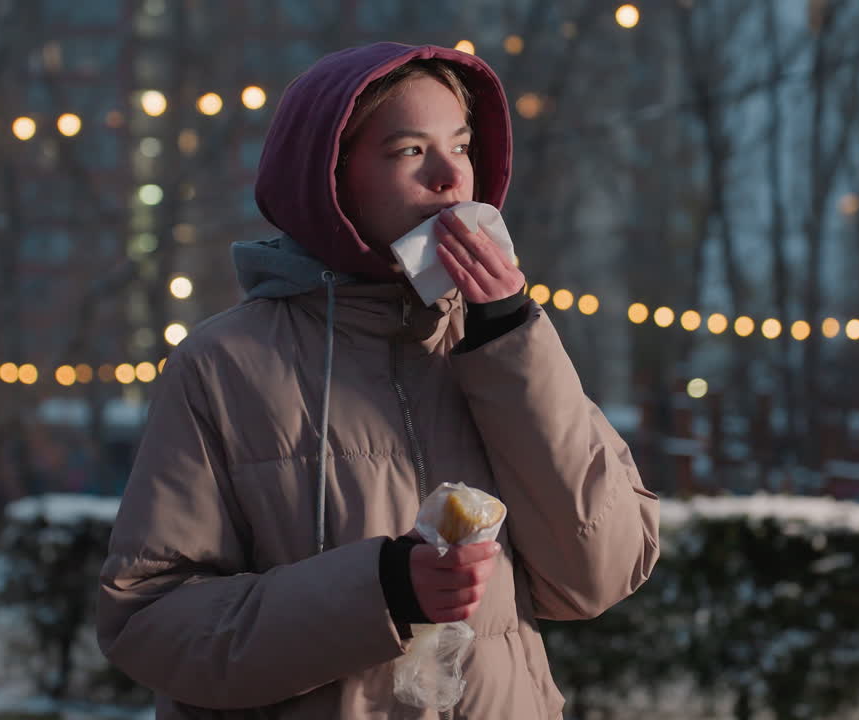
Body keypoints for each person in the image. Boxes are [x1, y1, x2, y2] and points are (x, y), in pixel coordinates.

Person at [96, 42, 660, 719]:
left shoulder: (503, 344)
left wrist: (510, 341)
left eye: (461, 144)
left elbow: (598, 575)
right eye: (410, 152)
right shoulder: (224, 364)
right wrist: (384, 590)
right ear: (330, 179)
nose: (452, 178)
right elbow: (148, 624)